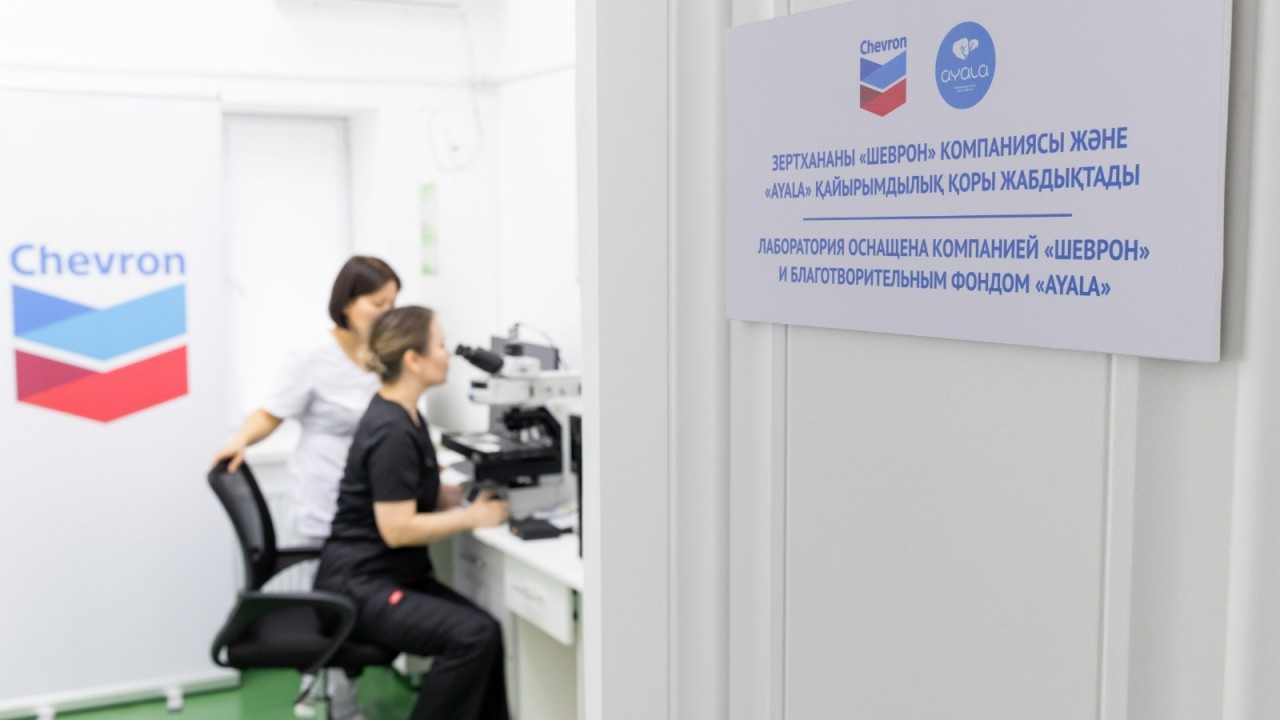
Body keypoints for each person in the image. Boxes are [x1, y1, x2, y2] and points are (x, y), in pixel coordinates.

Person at [212, 255, 400, 719]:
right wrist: (240, 441)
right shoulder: (313, 356)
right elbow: (271, 412)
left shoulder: (386, 353)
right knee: (341, 600)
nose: (387, 312)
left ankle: (339, 687)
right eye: (377, 303)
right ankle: (338, 696)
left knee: (371, 593)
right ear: (348, 303)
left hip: (375, 495)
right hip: (327, 493)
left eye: (393, 303)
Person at [315, 305, 512, 720]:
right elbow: (397, 529)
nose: (447, 354)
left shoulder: (405, 414)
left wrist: (459, 495)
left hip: (386, 575)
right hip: (360, 585)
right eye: (440, 345)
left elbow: (409, 491)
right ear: (413, 359)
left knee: (487, 633)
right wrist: (472, 517)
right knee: (472, 637)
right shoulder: (392, 430)